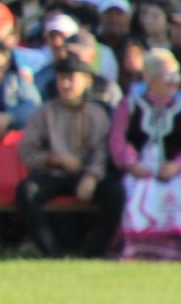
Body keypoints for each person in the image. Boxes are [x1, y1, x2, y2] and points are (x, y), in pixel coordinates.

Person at [16, 55, 122, 259]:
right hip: (53, 173)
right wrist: (52, 159)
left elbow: (103, 151)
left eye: (71, 78)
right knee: (26, 191)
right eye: (61, 78)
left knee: (115, 194)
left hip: (87, 174)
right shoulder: (43, 113)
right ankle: (50, 253)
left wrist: (91, 176)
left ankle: (92, 253)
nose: (65, 84)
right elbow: (28, 150)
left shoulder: (97, 113)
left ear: (86, 81)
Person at [109, 49, 181, 262]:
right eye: (167, 76)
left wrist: (179, 165)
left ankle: (176, 253)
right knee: (138, 193)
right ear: (151, 77)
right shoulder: (129, 105)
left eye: (175, 76)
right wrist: (132, 164)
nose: (172, 82)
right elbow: (118, 141)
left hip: (174, 172)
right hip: (140, 170)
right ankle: (138, 252)